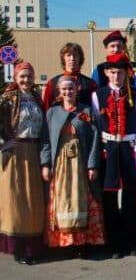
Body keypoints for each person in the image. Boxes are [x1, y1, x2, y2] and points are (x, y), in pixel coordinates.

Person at [40, 75, 105, 257]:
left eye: (71, 88)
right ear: (59, 91)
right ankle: (63, 242)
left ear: (77, 90)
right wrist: (45, 164)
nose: (68, 92)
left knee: (80, 199)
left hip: (80, 163)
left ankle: (81, 242)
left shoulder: (86, 111)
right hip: (60, 163)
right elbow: (45, 140)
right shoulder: (52, 113)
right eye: (64, 89)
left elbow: (94, 140)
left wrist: (92, 165)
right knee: (62, 200)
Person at [92, 53, 136, 259]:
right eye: (112, 72)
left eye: (120, 72)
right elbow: (97, 122)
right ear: (106, 72)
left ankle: (132, 241)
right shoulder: (98, 95)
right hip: (109, 148)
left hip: (128, 147)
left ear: (126, 73)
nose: (116, 76)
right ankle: (114, 243)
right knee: (110, 196)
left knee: (131, 195)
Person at [0, 62, 47, 264]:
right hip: (15, 153)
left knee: (33, 200)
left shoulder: (36, 97)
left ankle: (32, 246)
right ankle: (18, 248)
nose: (26, 80)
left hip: (34, 152)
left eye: (29, 76)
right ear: (16, 78)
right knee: (16, 200)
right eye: (22, 76)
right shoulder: (7, 98)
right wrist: (4, 142)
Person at [91, 30, 136, 99]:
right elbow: (95, 95)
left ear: (123, 48)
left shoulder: (134, 67)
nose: (116, 50)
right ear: (106, 48)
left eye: (119, 46)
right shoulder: (98, 70)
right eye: (112, 46)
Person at [42, 42, 98, 109]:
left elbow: (96, 108)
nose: (72, 58)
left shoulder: (90, 84)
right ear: (63, 58)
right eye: (68, 55)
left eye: (75, 55)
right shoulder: (52, 83)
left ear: (80, 58)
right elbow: (46, 109)